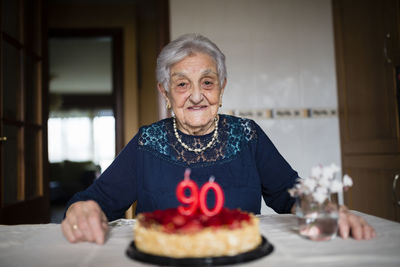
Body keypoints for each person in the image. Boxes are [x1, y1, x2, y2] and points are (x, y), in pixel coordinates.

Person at [61, 33, 375, 244]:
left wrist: (324, 209)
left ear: (221, 88)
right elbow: (97, 200)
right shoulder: (147, 142)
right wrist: (83, 209)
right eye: (182, 84)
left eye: (207, 82)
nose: (196, 96)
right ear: (165, 93)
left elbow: (289, 193)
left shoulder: (247, 135)